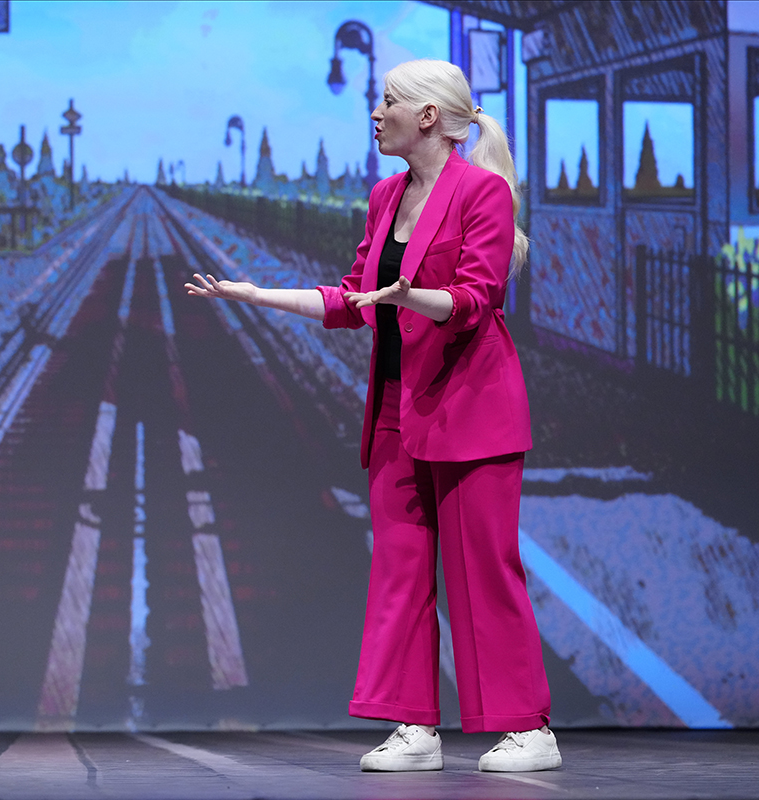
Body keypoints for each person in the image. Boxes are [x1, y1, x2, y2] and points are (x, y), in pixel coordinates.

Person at [185, 58, 559, 773]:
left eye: (387, 101)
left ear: (426, 117)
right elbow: (354, 298)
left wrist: (406, 295)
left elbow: (475, 300)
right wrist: (256, 295)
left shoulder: (482, 193)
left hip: (472, 407)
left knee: (485, 569)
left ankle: (528, 729)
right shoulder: (386, 196)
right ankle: (414, 726)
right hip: (398, 408)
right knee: (399, 568)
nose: (375, 112)